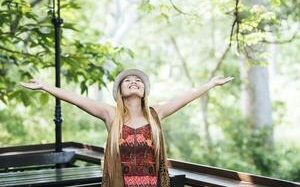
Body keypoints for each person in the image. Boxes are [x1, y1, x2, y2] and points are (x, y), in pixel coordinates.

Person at [19, 68, 234, 187]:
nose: (134, 81)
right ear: (120, 91)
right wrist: (45, 86)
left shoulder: (156, 114)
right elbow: (76, 99)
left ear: (144, 90)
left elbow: (185, 98)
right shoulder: (111, 115)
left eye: (138, 80)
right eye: (127, 80)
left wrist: (211, 84)